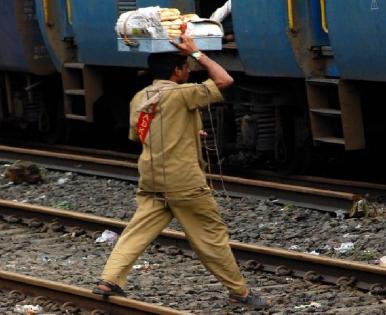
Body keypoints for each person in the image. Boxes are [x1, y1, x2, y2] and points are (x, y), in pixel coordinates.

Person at [93, 35, 269, 310]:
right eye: (186, 66)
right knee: (210, 237)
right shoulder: (183, 93)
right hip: (184, 181)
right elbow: (224, 80)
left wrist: (184, 131)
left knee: (137, 231)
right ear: (177, 71)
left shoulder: (140, 97)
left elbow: (140, 135)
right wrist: (197, 52)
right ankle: (240, 292)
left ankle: (109, 279)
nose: (189, 71)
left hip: (152, 178)